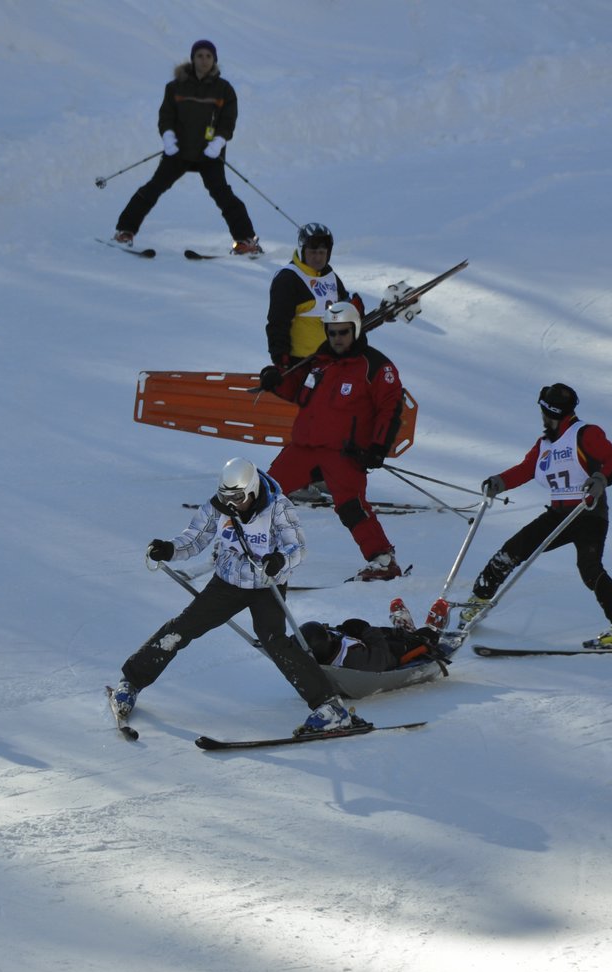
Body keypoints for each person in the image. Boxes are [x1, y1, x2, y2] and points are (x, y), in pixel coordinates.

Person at [112, 457, 365, 735]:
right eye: (226, 495)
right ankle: (130, 682)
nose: (232, 502)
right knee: (181, 629)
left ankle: (330, 708)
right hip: (228, 582)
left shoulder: (278, 507)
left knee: (275, 642)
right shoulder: (218, 507)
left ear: (253, 488)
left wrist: (280, 560)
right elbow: (195, 538)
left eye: (238, 496)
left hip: (267, 585)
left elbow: (297, 547)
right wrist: (169, 549)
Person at [461, 383, 612, 648]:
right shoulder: (545, 445)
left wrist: (599, 479)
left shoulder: (585, 434)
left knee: (589, 568)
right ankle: (477, 603)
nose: (542, 418)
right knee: (511, 551)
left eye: (543, 413)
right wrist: (499, 482)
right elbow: (525, 469)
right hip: (558, 515)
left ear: (548, 412)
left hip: (588, 514)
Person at [259, 302, 404, 581]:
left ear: (356, 330)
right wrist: (275, 381)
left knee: (350, 506)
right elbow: (300, 393)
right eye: (333, 332)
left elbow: (390, 407)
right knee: (266, 492)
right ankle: (243, 546)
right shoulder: (319, 362)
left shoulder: (375, 366)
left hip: (344, 452)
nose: (337, 339)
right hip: (305, 446)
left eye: (343, 332)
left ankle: (383, 560)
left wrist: (377, 447)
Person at [112, 40, 261, 256]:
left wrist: (218, 142)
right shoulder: (175, 87)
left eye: (208, 56)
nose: (204, 60)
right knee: (153, 189)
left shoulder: (224, 89)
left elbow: (228, 121)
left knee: (223, 195)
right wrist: (169, 138)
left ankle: (246, 241)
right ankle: (124, 231)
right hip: (178, 152)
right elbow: (166, 117)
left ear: (214, 60)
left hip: (210, 154)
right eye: (199, 55)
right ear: (192, 58)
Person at [265, 222, 360, 371]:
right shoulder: (288, 278)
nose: (318, 258)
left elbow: (346, 310)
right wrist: (280, 357)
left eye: (322, 253)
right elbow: (277, 322)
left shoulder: (330, 277)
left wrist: (354, 309)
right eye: (313, 252)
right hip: (301, 364)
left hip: (331, 360)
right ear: (302, 251)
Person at [298, 616, 446, 673]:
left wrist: (345, 630)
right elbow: (382, 659)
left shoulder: (327, 650)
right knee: (425, 636)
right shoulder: (350, 659)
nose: (331, 635)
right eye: (328, 635)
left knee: (386, 633)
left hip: (368, 643)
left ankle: (404, 630)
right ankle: (421, 636)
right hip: (390, 652)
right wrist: (366, 630)